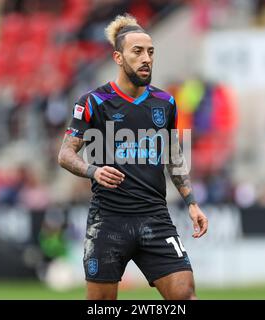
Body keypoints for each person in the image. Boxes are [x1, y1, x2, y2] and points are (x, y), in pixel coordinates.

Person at [57, 14, 208, 300]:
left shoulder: (165, 103)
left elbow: (174, 156)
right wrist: (93, 171)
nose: (146, 58)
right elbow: (65, 154)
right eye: (137, 51)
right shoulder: (94, 102)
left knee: (186, 296)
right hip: (108, 220)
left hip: (155, 217)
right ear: (118, 57)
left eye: (151, 52)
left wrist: (191, 203)